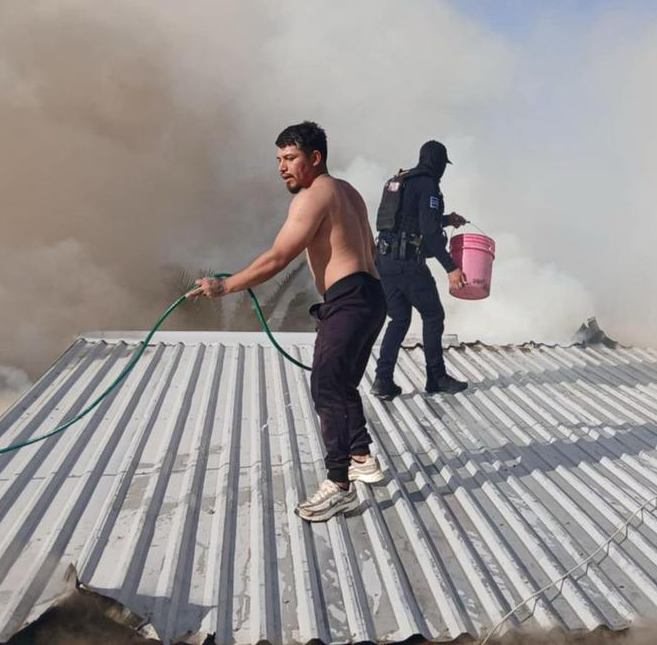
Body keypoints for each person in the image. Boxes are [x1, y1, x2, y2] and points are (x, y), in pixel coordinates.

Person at [188, 121, 386, 522]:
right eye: (279, 159)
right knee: (341, 384)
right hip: (371, 297)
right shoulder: (348, 192)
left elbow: (278, 257)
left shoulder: (313, 196)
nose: (282, 167)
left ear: (315, 158)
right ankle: (361, 458)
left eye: (290, 158)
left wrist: (224, 286)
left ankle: (339, 485)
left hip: (348, 300)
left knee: (326, 387)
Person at [370, 140, 470, 399]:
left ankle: (382, 380)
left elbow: (405, 221)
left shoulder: (400, 180)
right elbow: (429, 232)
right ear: (438, 163)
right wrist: (451, 268)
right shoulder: (428, 185)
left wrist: (447, 220)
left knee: (400, 319)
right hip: (407, 263)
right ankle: (436, 378)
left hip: (384, 260)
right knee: (433, 315)